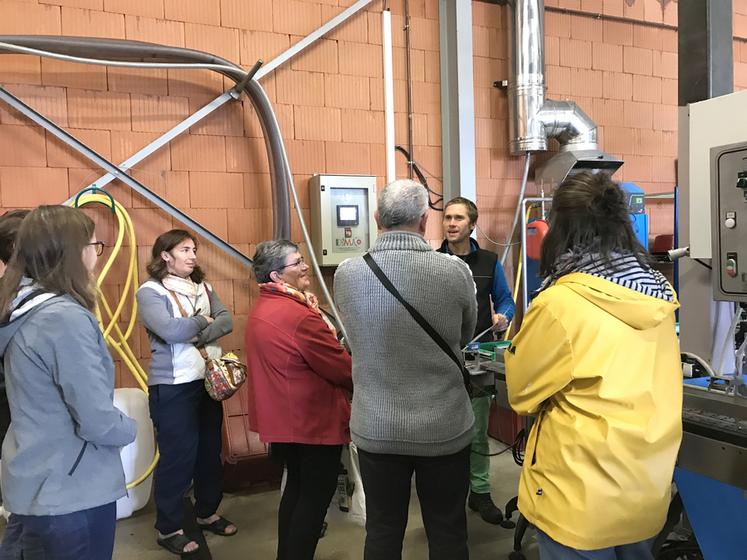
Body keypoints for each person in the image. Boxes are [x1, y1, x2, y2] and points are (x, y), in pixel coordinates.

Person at [504, 171, 682, 559]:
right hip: (644, 486)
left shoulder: (560, 303)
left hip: (580, 497)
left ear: (561, 228)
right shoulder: (657, 293)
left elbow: (521, 392)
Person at [334, 179, 477, 560]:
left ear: (377, 218)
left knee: (382, 530)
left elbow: (352, 339)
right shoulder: (454, 271)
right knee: (447, 531)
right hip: (444, 427)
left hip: (377, 429)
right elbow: (463, 335)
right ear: (425, 219)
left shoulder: (347, 274)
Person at [0, 205, 137, 560]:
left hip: (36, 479)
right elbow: (96, 420)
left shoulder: (22, 306)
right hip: (72, 489)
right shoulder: (63, 318)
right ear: (74, 253)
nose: (96, 253)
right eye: (94, 244)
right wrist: (131, 428)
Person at [245, 240, 352, 560]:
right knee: (314, 498)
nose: (306, 266)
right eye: (298, 263)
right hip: (312, 422)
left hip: (287, 421)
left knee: (296, 492)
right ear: (277, 276)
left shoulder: (265, 308)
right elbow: (341, 367)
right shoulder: (300, 316)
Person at [137, 229, 236, 556]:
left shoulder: (203, 287)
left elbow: (226, 321)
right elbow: (168, 329)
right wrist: (203, 322)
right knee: (178, 458)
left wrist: (194, 327)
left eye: (194, 249)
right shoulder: (150, 291)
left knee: (210, 452)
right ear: (165, 255)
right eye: (184, 250)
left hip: (206, 382)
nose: (193, 256)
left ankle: (206, 511)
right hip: (172, 387)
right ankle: (168, 528)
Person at [438, 196, 515, 524]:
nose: (451, 223)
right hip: (442, 360)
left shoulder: (488, 261)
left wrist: (503, 317)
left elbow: (505, 300)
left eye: (458, 218)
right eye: (447, 218)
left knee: (478, 430)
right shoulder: (433, 262)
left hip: (478, 359)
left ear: (472, 224)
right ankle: (449, 495)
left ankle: (480, 493)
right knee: (445, 435)